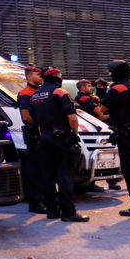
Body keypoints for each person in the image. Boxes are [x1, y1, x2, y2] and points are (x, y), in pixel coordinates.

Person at [28, 66, 89, 222]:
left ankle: (52, 211)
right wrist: (73, 134)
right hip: (61, 137)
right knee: (65, 174)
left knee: (47, 176)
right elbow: (73, 118)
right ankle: (68, 212)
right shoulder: (59, 92)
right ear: (56, 77)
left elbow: (32, 118)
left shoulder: (35, 95)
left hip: (44, 137)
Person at [98, 60, 130, 218]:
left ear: (116, 73)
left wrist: (101, 94)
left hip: (127, 135)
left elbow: (103, 109)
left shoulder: (117, 89)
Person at [17, 65, 46, 214]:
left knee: (44, 169)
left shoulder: (40, 91)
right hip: (34, 134)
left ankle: (44, 198)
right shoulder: (25, 93)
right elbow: (26, 116)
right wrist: (41, 125)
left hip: (43, 134)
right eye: (37, 74)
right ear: (29, 76)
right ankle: (35, 202)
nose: (41, 77)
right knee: (34, 169)